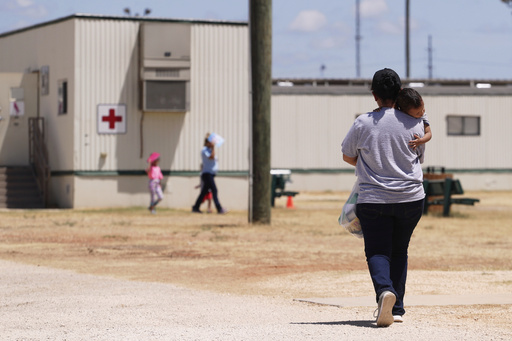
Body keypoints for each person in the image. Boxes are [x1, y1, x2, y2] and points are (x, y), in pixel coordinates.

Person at [341, 68, 425, 327]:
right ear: (400, 92)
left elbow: (347, 155)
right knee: (400, 249)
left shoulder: (363, 122)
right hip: (411, 197)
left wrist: (365, 163)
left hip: (374, 198)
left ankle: (384, 292)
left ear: (374, 95)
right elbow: (418, 158)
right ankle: (397, 308)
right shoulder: (415, 122)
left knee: (378, 250)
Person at [192, 134, 227, 214]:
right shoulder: (204, 150)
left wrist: (212, 149)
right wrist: (213, 148)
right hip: (207, 174)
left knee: (204, 192)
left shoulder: (210, 150)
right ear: (207, 142)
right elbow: (211, 157)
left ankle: (195, 207)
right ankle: (219, 208)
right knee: (214, 190)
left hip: (211, 174)